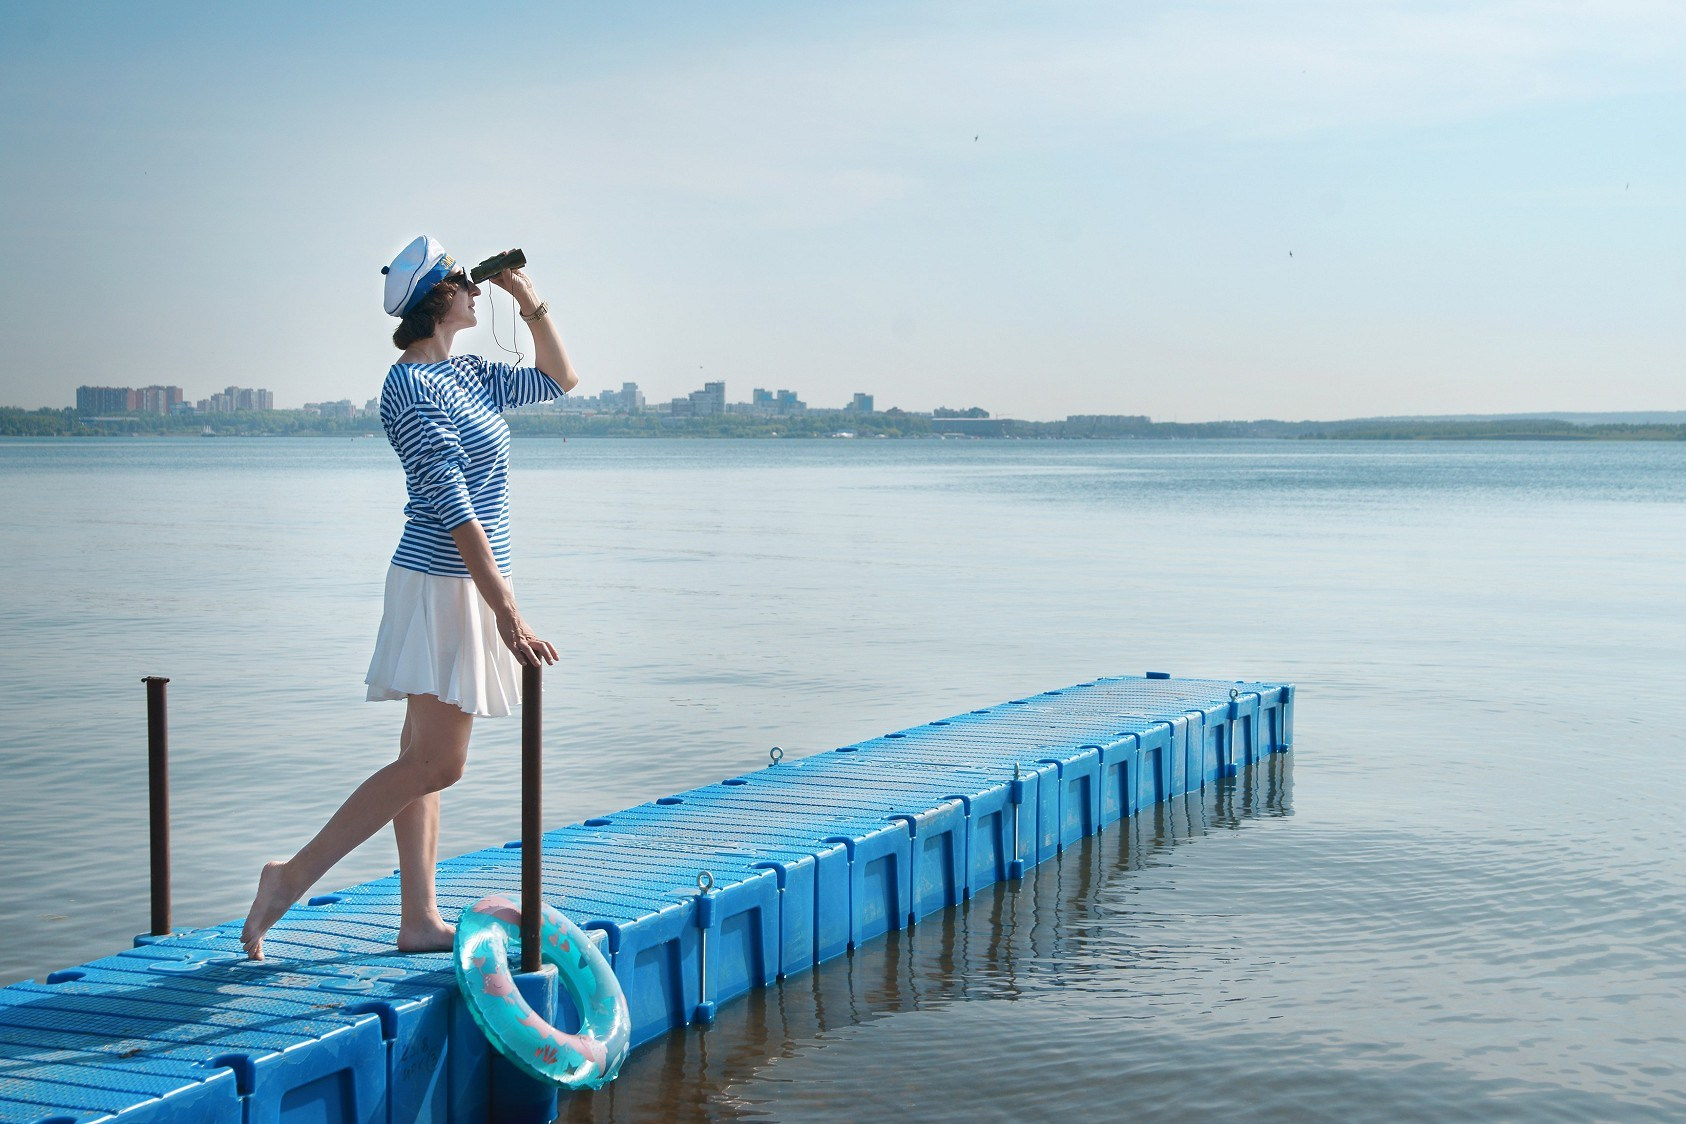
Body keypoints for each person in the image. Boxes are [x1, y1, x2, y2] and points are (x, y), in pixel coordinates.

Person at [240, 235, 578, 960]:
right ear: (437, 300)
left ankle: (417, 919)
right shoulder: (410, 388)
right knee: (439, 764)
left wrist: (529, 301)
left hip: (473, 577)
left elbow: (558, 378)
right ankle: (288, 878)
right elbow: (456, 511)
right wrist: (508, 616)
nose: (474, 289)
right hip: (443, 583)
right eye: (464, 281)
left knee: (419, 755)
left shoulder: (470, 374)